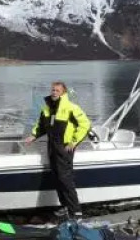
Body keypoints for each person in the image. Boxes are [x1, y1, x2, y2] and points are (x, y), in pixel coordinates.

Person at [25, 81, 91, 219]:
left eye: (57, 91)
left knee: (65, 179)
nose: (54, 92)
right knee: (57, 178)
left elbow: (85, 124)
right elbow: (41, 125)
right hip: (52, 147)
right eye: (53, 90)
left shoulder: (71, 108)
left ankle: (76, 211)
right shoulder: (47, 109)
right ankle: (65, 207)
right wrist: (33, 135)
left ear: (63, 93)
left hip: (64, 147)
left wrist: (74, 142)